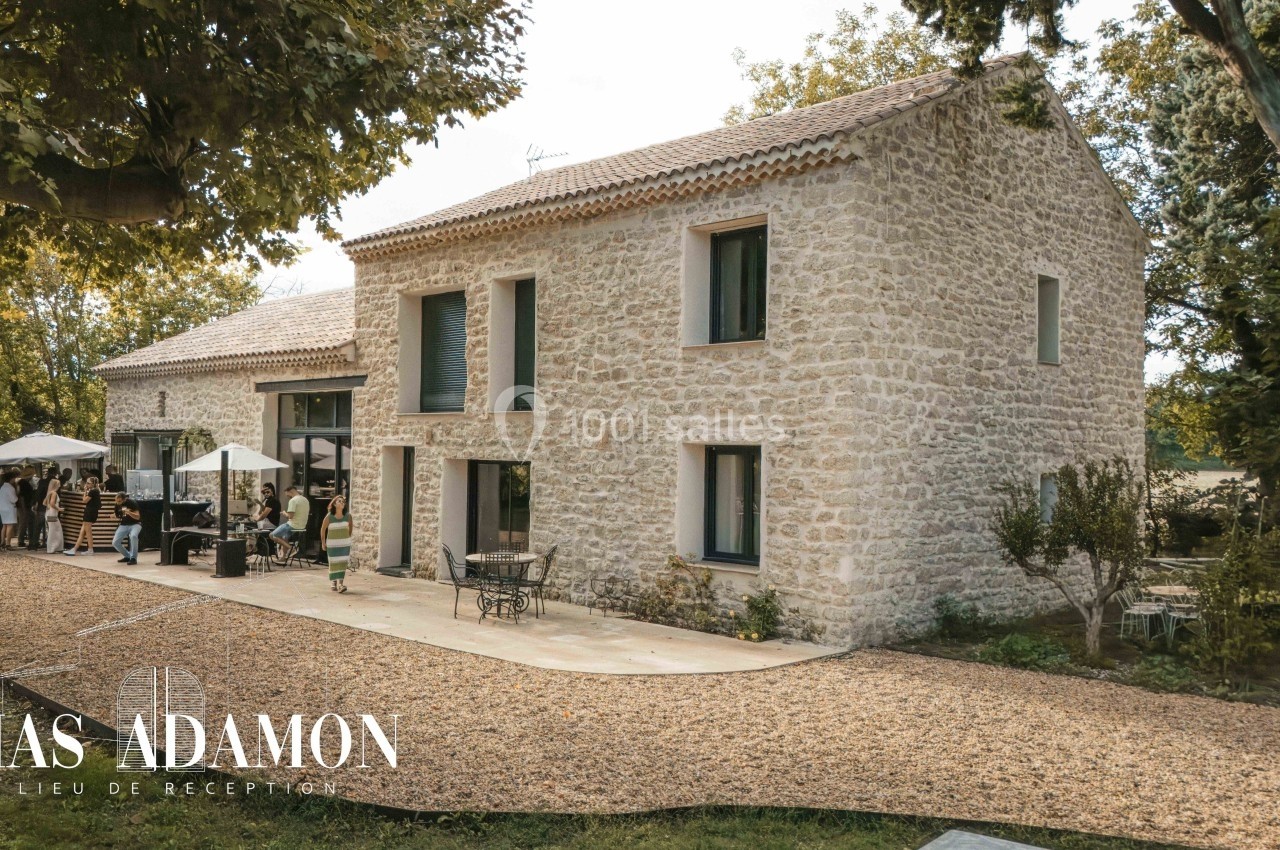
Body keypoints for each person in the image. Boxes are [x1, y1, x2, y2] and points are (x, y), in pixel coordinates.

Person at [320, 495, 353, 593]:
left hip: (344, 544)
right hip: (332, 544)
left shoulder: (348, 516)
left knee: (342, 563)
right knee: (333, 563)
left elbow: (351, 527)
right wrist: (323, 543)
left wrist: (347, 537)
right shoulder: (329, 516)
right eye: (339, 501)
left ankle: (341, 584)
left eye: (343, 501)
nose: (342, 502)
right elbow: (323, 530)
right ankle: (333, 581)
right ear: (334, 504)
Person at [269, 484, 309, 559]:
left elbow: (290, 516)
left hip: (292, 525)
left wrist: (284, 513)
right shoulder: (305, 500)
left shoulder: (293, 500)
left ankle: (291, 549)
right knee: (284, 537)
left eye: (288, 495)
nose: (288, 497)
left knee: (272, 535)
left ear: (290, 492)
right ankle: (283, 557)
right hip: (302, 525)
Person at [64, 477, 101, 556]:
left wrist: (85, 491)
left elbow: (84, 500)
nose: (86, 484)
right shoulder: (96, 491)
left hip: (89, 512)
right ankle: (75, 549)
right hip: (91, 512)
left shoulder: (93, 491)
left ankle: (90, 549)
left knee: (88, 532)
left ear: (93, 484)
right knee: (82, 532)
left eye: (88, 483)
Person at [28, 466, 57, 551]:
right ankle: (51, 543)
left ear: (48, 473)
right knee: (51, 525)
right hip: (52, 507)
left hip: (42, 506)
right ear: (55, 473)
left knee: (38, 525)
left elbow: (38, 493)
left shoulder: (43, 481)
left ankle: (33, 543)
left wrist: (34, 503)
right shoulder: (56, 482)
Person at [111, 493, 142, 565]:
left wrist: (129, 512)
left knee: (133, 536)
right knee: (115, 542)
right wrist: (114, 516)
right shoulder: (117, 505)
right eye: (116, 501)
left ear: (124, 499)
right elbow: (118, 514)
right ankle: (127, 556)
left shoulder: (131, 503)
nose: (117, 503)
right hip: (124, 524)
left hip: (135, 524)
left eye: (119, 501)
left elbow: (138, 517)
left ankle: (134, 558)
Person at [14, 466, 35, 548]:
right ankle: (21, 540)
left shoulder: (21, 482)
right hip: (24, 506)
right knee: (24, 522)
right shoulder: (24, 483)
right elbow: (21, 497)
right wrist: (24, 508)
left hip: (24, 506)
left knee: (26, 522)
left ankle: (23, 539)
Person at [43, 478, 64, 554]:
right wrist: (59, 508)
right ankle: (52, 548)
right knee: (55, 530)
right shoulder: (54, 493)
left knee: (53, 529)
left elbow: (44, 503)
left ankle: (54, 547)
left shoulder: (49, 493)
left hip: (48, 512)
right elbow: (52, 503)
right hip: (53, 513)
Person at [0, 470, 18, 550]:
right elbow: (13, 500)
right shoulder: (11, 488)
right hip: (10, 508)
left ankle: (2, 542)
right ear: (11, 479)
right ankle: (8, 544)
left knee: (4, 525)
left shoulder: (2, 487)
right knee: (10, 526)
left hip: (2, 508)